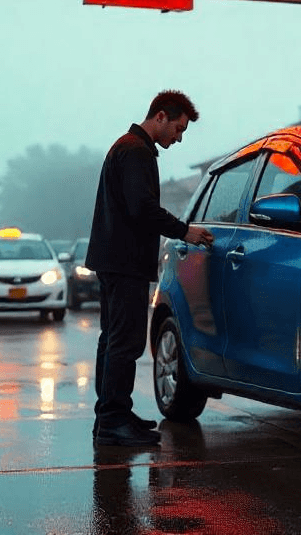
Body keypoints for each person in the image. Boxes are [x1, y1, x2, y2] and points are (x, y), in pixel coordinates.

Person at [86, 90, 214, 447]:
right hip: (124, 262)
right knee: (124, 343)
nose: (179, 137)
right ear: (160, 117)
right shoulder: (135, 151)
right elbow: (141, 208)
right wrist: (184, 230)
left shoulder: (126, 147)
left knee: (112, 340)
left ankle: (112, 415)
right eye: (179, 128)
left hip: (114, 260)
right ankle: (113, 422)